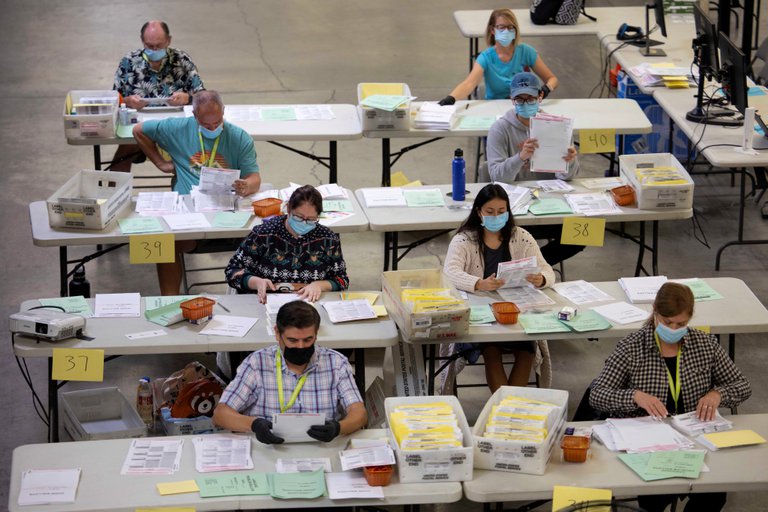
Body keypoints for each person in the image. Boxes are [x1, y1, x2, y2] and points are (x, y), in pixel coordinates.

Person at [590, 282, 751, 512]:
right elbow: (597, 394)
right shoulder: (631, 348)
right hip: (648, 443)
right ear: (655, 312)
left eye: (681, 324)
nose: (674, 329)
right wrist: (634, 396)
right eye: (668, 322)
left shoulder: (705, 345)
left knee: (713, 494)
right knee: (654, 498)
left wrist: (718, 394)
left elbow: (742, 385)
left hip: (695, 437)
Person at [133, 90, 262, 295]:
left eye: (217, 122)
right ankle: (169, 299)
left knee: (263, 236)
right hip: (189, 212)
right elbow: (139, 130)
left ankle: (254, 293)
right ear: (194, 116)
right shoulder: (177, 128)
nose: (213, 128)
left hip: (228, 211)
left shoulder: (238, 137)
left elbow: (255, 178)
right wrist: (160, 163)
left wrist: (246, 185)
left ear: (224, 112)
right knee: (161, 240)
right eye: (206, 125)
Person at [443, 183, 555, 390]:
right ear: (479, 212)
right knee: (491, 350)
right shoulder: (464, 240)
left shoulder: (520, 236)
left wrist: (542, 279)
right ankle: (508, 409)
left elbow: (546, 269)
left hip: (515, 311)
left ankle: (508, 409)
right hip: (482, 314)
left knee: (527, 350)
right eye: (490, 212)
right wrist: (478, 283)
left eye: (501, 212)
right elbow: (450, 272)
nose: (496, 217)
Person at [212, 300, 367, 444]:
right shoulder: (256, 363)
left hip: (321, 447)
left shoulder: (337, 364)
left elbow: (359, 412)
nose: (300, 347)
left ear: (316, 334)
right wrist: (254, 424)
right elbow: (221, 414)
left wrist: (338, 428)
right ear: (277, 333)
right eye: (292, 340)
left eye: (308, 340)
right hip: (269, 448)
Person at [485, 71, 582, 266]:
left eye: (530, 99)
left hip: (548, 202)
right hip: (514, 208)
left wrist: (569, 161)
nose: (525, 103)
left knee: (581, 234)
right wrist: (520, 157)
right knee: (504, 238)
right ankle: (522, 268)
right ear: (512, 100)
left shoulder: (557, 126)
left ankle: (530, 268)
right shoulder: (500, 129)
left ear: (540, 97)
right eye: (519, 99)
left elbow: (568, 177)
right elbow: (496, 176)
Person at [225, 185, 349, 304]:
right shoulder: (264, 234)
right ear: (289, 209)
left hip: (308, 303)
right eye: (299, 217)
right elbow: (232, 271)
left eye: (311, 219)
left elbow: (342, 280)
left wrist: (319, 285)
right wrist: (256, 282)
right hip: (265, 301)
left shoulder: (328, 239)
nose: (304, 223)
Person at [111, 20, 205, 172]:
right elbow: (114, 100)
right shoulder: (129, 62)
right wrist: (127, 102)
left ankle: (186, 187)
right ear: (142, 41)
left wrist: (188, 99)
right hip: (140, 128)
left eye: (159, 46)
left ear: (169, 40)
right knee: (122, 156)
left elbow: (204, 99)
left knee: (196, 154)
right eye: (149, 46)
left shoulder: (182, 60)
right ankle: (115, 193)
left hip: (177, 126)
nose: (154, 50)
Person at [438, 8, 558, 104]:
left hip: (522, 105)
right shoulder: (486, 58)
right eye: (501, 27)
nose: (506, 31)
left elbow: (552, 79)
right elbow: (469, 84)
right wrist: (451, 98)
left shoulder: (526, 52)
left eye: (510, 27)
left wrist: (546, 89)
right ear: (492, 30)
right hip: (495, 106)